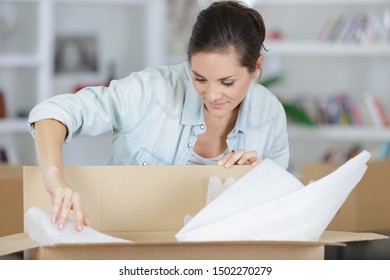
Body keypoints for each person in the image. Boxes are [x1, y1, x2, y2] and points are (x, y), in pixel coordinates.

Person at [28, 1, 289, 231]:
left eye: (227, 82)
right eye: (199, 78)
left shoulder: (269, 114)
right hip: (125, 241)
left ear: (256, 68)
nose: (211, 95)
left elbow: (282, 207)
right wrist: (54, 178)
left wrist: (258, 179)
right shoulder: (150, 92)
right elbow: (53, 113)